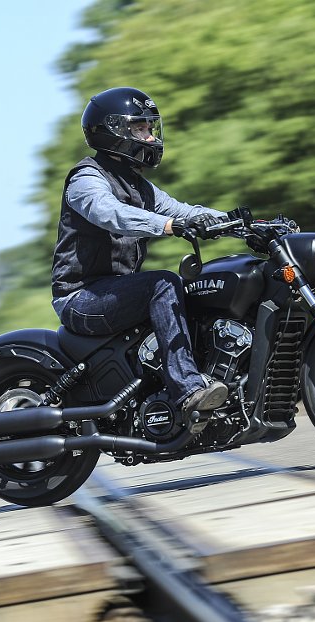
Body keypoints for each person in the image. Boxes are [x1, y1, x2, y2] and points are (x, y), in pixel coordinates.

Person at [51, 86, 229, 425]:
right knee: (163, 283)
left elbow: (185, 211)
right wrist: (169, 225)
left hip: (115, 294)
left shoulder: (138, 186)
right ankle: (189, 390)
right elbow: (109, 213)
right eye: (141, 129)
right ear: (114, 131)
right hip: (80, 297)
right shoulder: (86, 178)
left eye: (150, 129)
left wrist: (243, 223)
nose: (150, 137)